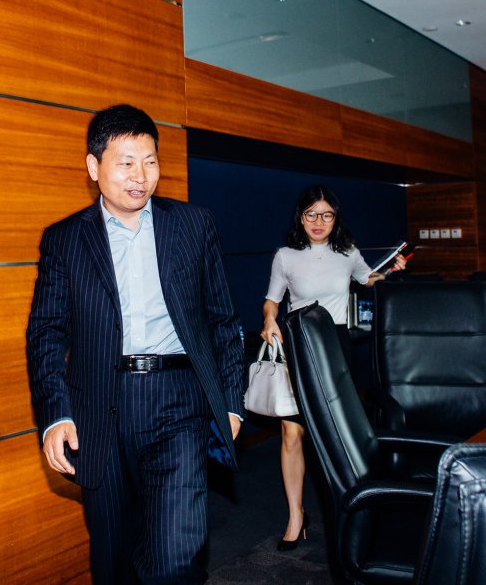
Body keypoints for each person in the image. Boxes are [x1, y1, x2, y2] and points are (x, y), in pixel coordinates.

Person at [26, 104, 244, 584]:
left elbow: (223, 320)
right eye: (126, 162)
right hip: (100, 408)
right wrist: (56, 414)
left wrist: (230, 402)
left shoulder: (193, 225)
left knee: (174, 560)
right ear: (93, 166)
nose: (140, 176)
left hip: (179, 402)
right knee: (114, 561)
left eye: (149, 161)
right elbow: (46, 333)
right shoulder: (64, 240)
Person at [259, 184, 404, 551]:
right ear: (300, 217)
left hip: (336, 346)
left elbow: (367, 278)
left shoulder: (348, 253)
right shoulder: (286, 256)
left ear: (336, 219)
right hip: (298, 343)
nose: (318, 221)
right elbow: (272, 300)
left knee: (337, 436)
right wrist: (269, 319)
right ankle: (296, 516)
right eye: (311, 214)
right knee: (292, 433)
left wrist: (391, 270)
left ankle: (349, 509)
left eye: (326, 214)